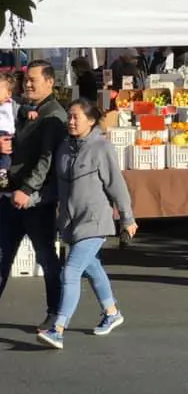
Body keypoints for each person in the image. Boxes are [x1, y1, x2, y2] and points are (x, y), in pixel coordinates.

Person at [37, 99, 137, 350]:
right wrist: (30, 199)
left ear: (91, 121)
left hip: (95, 222)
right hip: (71, 224)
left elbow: (117, 186)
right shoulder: (64, 148)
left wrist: (127, 219)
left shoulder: (101, 148)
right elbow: (56, 188)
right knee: (92, 268)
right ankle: (112, 311)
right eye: (69, 117)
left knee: (70, 271)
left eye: (75, 117)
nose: (70, 122)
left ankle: (57, 329)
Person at [0, 60, 69, 331]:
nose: (27, 84)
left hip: (35, 202)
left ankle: (55, 314)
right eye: (26, 79)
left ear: (50, 82)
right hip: (12, 197)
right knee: (3, 256)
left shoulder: (53, 115)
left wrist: (27, 189)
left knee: (46, 259)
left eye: (33, 80)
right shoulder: (30, 109)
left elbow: (46, 159)